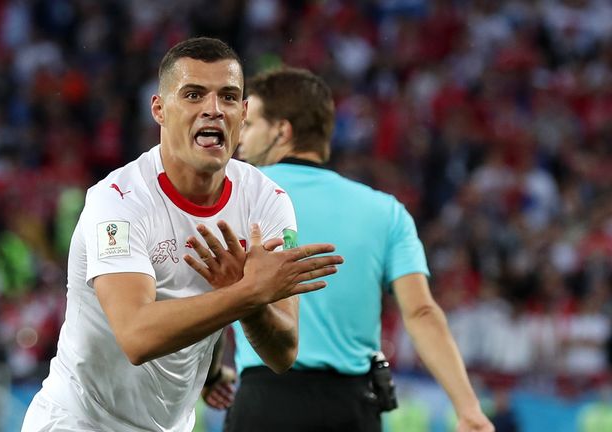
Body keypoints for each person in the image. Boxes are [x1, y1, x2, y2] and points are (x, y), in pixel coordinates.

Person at [20, 38, 343, 432]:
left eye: (228, 97)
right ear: (159, 109)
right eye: (193, 95)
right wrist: (246, 293)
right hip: (79, 422)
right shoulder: (118, 202)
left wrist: (247, 309)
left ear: (243, 115)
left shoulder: (268, 203)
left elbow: (283, 352)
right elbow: (136, 335)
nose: (213, 109)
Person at [198, 67, 494, 432]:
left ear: (282, 131)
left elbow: (208, 300)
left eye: (251, 123)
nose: (238, 136)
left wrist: (210, 375)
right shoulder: (386, 211)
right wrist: (468, 408)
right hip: (352, 409)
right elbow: (421, 313)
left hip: (264, 404)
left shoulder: (231, 198)